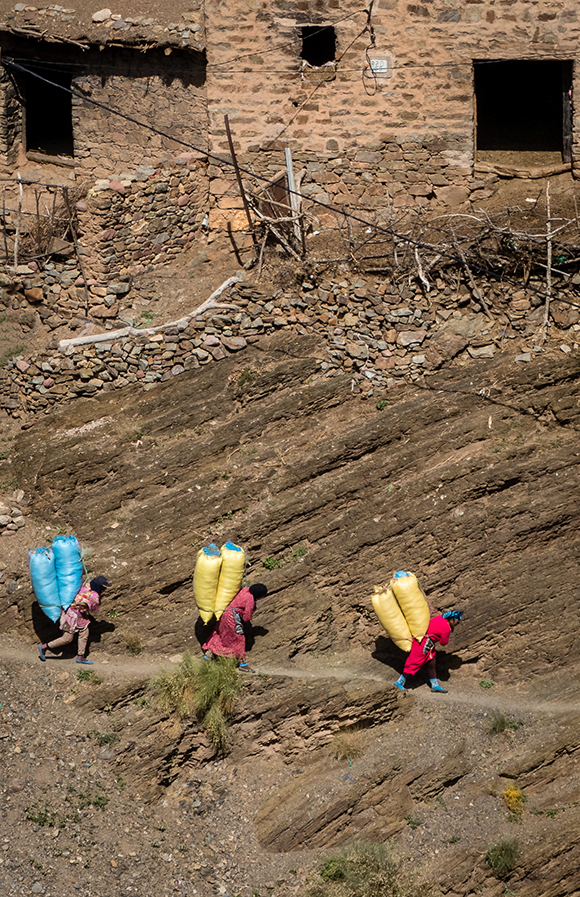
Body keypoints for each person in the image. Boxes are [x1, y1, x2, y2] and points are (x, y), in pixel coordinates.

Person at [38, 576, 111, 665]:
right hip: (73, 616)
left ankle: (81, 655)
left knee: (84, 632)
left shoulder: (85, 585)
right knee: (67, 638)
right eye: (103, 588)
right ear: (99, 587)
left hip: (69, 612)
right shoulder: (94, 595)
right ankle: (44, 647)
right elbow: (92, 607)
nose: (104, 590)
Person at [202, 583, 268, 671]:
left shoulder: (244, 590)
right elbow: (246, 618)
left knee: (220, 635)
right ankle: (243, 664)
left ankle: (208, 656)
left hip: (223, 614)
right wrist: (252, 610)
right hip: (231, 619)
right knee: (239, 639)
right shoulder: (250, 600)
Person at [394, 610, 463, 693]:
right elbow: (443, 643)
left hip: (425, 642)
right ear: (451, 620)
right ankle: (399, 682)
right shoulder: (446, 629)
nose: (457, 624)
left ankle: (434, 685)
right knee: (414, 662)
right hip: (423, 645)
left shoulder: (440, 617)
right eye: (457, 622)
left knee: (431, 662)